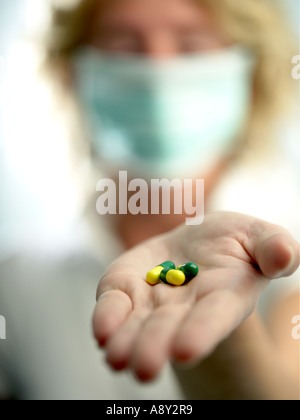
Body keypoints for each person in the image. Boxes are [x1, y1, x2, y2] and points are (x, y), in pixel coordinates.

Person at [0, 0, 299, 400]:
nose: (158, 67)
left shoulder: (286, 260)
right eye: (125, 44)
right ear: (72, 73)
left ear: (253, 76)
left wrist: (228, 355)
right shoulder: (19, 285)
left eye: (191, 44)